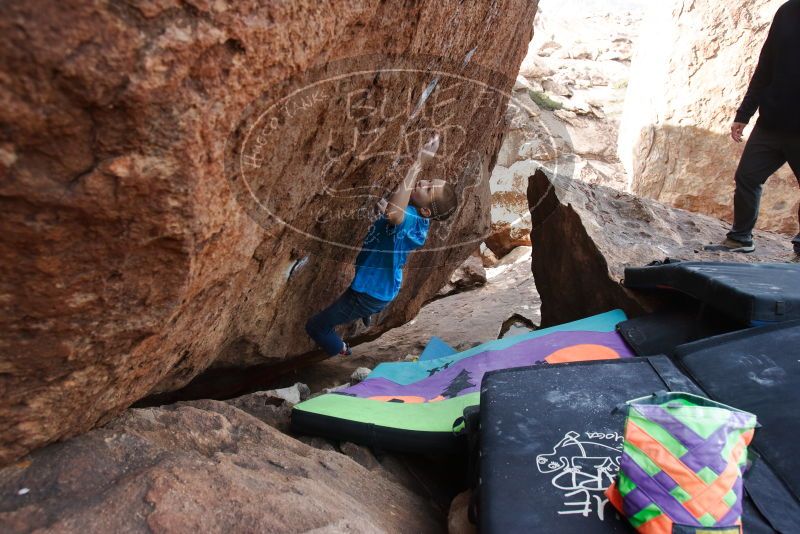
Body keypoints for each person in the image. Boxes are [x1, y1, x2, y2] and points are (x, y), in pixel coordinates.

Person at [305, 134, 458, 356]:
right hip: (382, 288)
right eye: (429, 181)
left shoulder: (410, 218)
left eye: (427, 189)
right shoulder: (418, 219)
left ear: (426, 211)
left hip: (367, 295)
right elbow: (396, 212)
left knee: (316, 327)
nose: (423, 183)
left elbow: (396, 215)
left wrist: (418, 164)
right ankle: (365, 312)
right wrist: (389, 211)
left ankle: (343, 349)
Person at [715, 0, 800, 257]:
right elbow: (765, 66)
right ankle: (740, 238)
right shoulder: (787, 11)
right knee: (747, 177)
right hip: (771, 123)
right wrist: (744, 113)